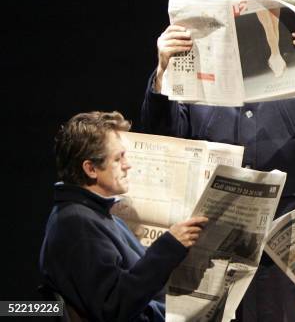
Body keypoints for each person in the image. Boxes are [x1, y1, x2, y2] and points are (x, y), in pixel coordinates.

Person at [141, 0, 295, 322]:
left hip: (286, 244)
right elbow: (165, 140)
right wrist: (162, 71)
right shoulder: (194, 68)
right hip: (215, 245)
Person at [39, 111, 208, 321]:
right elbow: (114, 307)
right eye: (118, 158)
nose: (128, 165)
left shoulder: (97, 216)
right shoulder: (76, 224)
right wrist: (169, 247)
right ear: (91, 168)